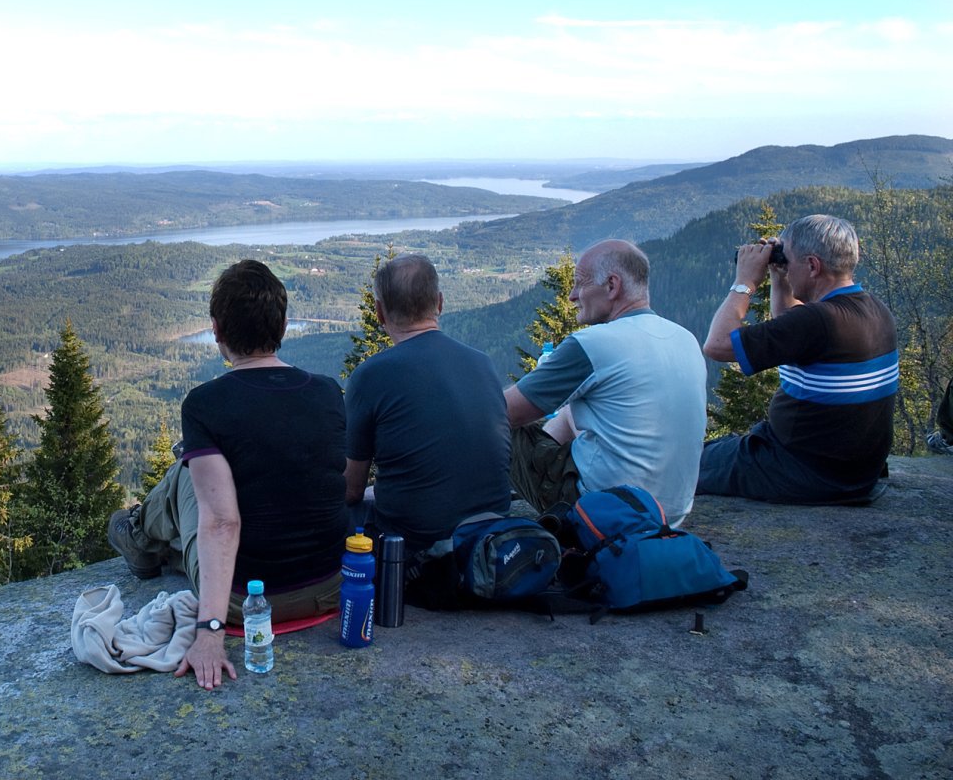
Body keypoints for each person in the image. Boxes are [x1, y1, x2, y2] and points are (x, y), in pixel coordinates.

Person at [107, 259, 345, 690]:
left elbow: (221, 521)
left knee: (186, 470)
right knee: (207, 467)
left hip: (246, 603)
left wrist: (209, 633)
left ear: (216, 329)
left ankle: (139, 537)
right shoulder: (328, 391)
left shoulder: (205, 404)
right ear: (283, 325)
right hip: (329, 588)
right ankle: (153, 540)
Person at [504, 239, 707, 527]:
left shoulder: (593, 343)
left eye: (580, 284)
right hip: (672, 512)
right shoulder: (685, 338)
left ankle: (475, 512)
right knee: (572, 409)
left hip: (605, 512)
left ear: (612, 285)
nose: (572, 295)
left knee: (499, 426)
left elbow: (503, 412)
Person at [698, 214, 898, 504]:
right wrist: (780, 276)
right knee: (719, 447)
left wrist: (744, 282)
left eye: (788, 261)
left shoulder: (817, 321)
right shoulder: (875, 309)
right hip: (853, 474)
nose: (787, 268)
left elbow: (717, 345)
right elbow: (789, 330)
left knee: (681, 461)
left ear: (813, 266)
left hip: (798, 470)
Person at [343, 253, 510, 551]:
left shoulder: (370, 375)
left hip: (415, 545)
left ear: (379, 312)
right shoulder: (482, 363)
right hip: (493, 534)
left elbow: (352, 489)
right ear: (440, 303)